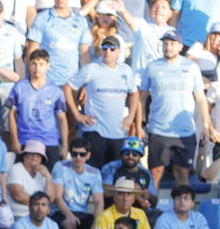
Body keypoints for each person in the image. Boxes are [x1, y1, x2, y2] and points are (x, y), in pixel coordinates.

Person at [140, 29, 220, 190]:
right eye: (165, 43)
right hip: (158, 129)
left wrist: (206, 125)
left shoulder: (191, 68)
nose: (168, 47)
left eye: (172, 43)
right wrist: (139, 122)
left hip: (184, 131)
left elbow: (200, 99)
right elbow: (140, 98)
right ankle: (151, 210)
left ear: (180, 46)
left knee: (182, 174)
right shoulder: (152, 67)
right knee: (155, 173)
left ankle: (182, 212)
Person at [64, 35, 138, 170]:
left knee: (113, 177)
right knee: (94, 175)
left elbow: (134, 93)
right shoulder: (91, 69)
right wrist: (77, 114)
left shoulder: (126, 71)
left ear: (119, 52)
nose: (107, 51)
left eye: (112, 48)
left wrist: (131, 116)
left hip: (117, 132)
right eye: (104, 48)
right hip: (95, 131)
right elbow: (68, 87)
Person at [5, 50, 68, 169]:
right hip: (25, 140)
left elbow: (62, 119)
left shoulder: (56, 91)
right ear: (28, 65)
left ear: (48, 66)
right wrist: (14, 140)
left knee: (50, 180)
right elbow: (11, 115)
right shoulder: (19, 87)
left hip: (49, 141)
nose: (37, 67)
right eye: (34, 63)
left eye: (41, 64)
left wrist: (65, 146)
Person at [25, 0, 91, 87]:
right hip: (46, 83)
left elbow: (84, 56)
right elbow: (31, 51)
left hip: (71, 85)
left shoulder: (80, 21)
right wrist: (33, 80)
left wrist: (85, 84)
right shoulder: (41, 18)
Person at [51, 136, 103, 229]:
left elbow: (99, 202)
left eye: (82, 154)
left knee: (102, 228)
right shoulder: (60, 166)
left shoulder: (95, 172)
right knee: (70, 223)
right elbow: (57, 197)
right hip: (62, 212)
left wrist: (96, 223)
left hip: (82, 214)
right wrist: (69, 215)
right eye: (74, 154)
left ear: (88, 155)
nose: (78, 157)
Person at [101, 137, 157, 213]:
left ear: (140, 156)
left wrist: (148, 196)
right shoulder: (112, 167)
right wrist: (132, 189)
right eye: (127, 153)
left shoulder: (146, 173)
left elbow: (154, 201)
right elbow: (103, 191)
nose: (130, 156)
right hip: (112, 213)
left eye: (134, 154)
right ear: (121, 154)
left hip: (138, 216)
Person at [6, 140, 57, 220]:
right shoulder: (16, 169)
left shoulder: (43, 173)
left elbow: (50, 199)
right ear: (24, 156)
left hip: (40, 217)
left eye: (38, 154)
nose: (34, 155)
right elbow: (19, 196)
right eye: (31, 152)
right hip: (18, 216)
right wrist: (42, 204)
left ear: (41, 159)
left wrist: (48, 177)